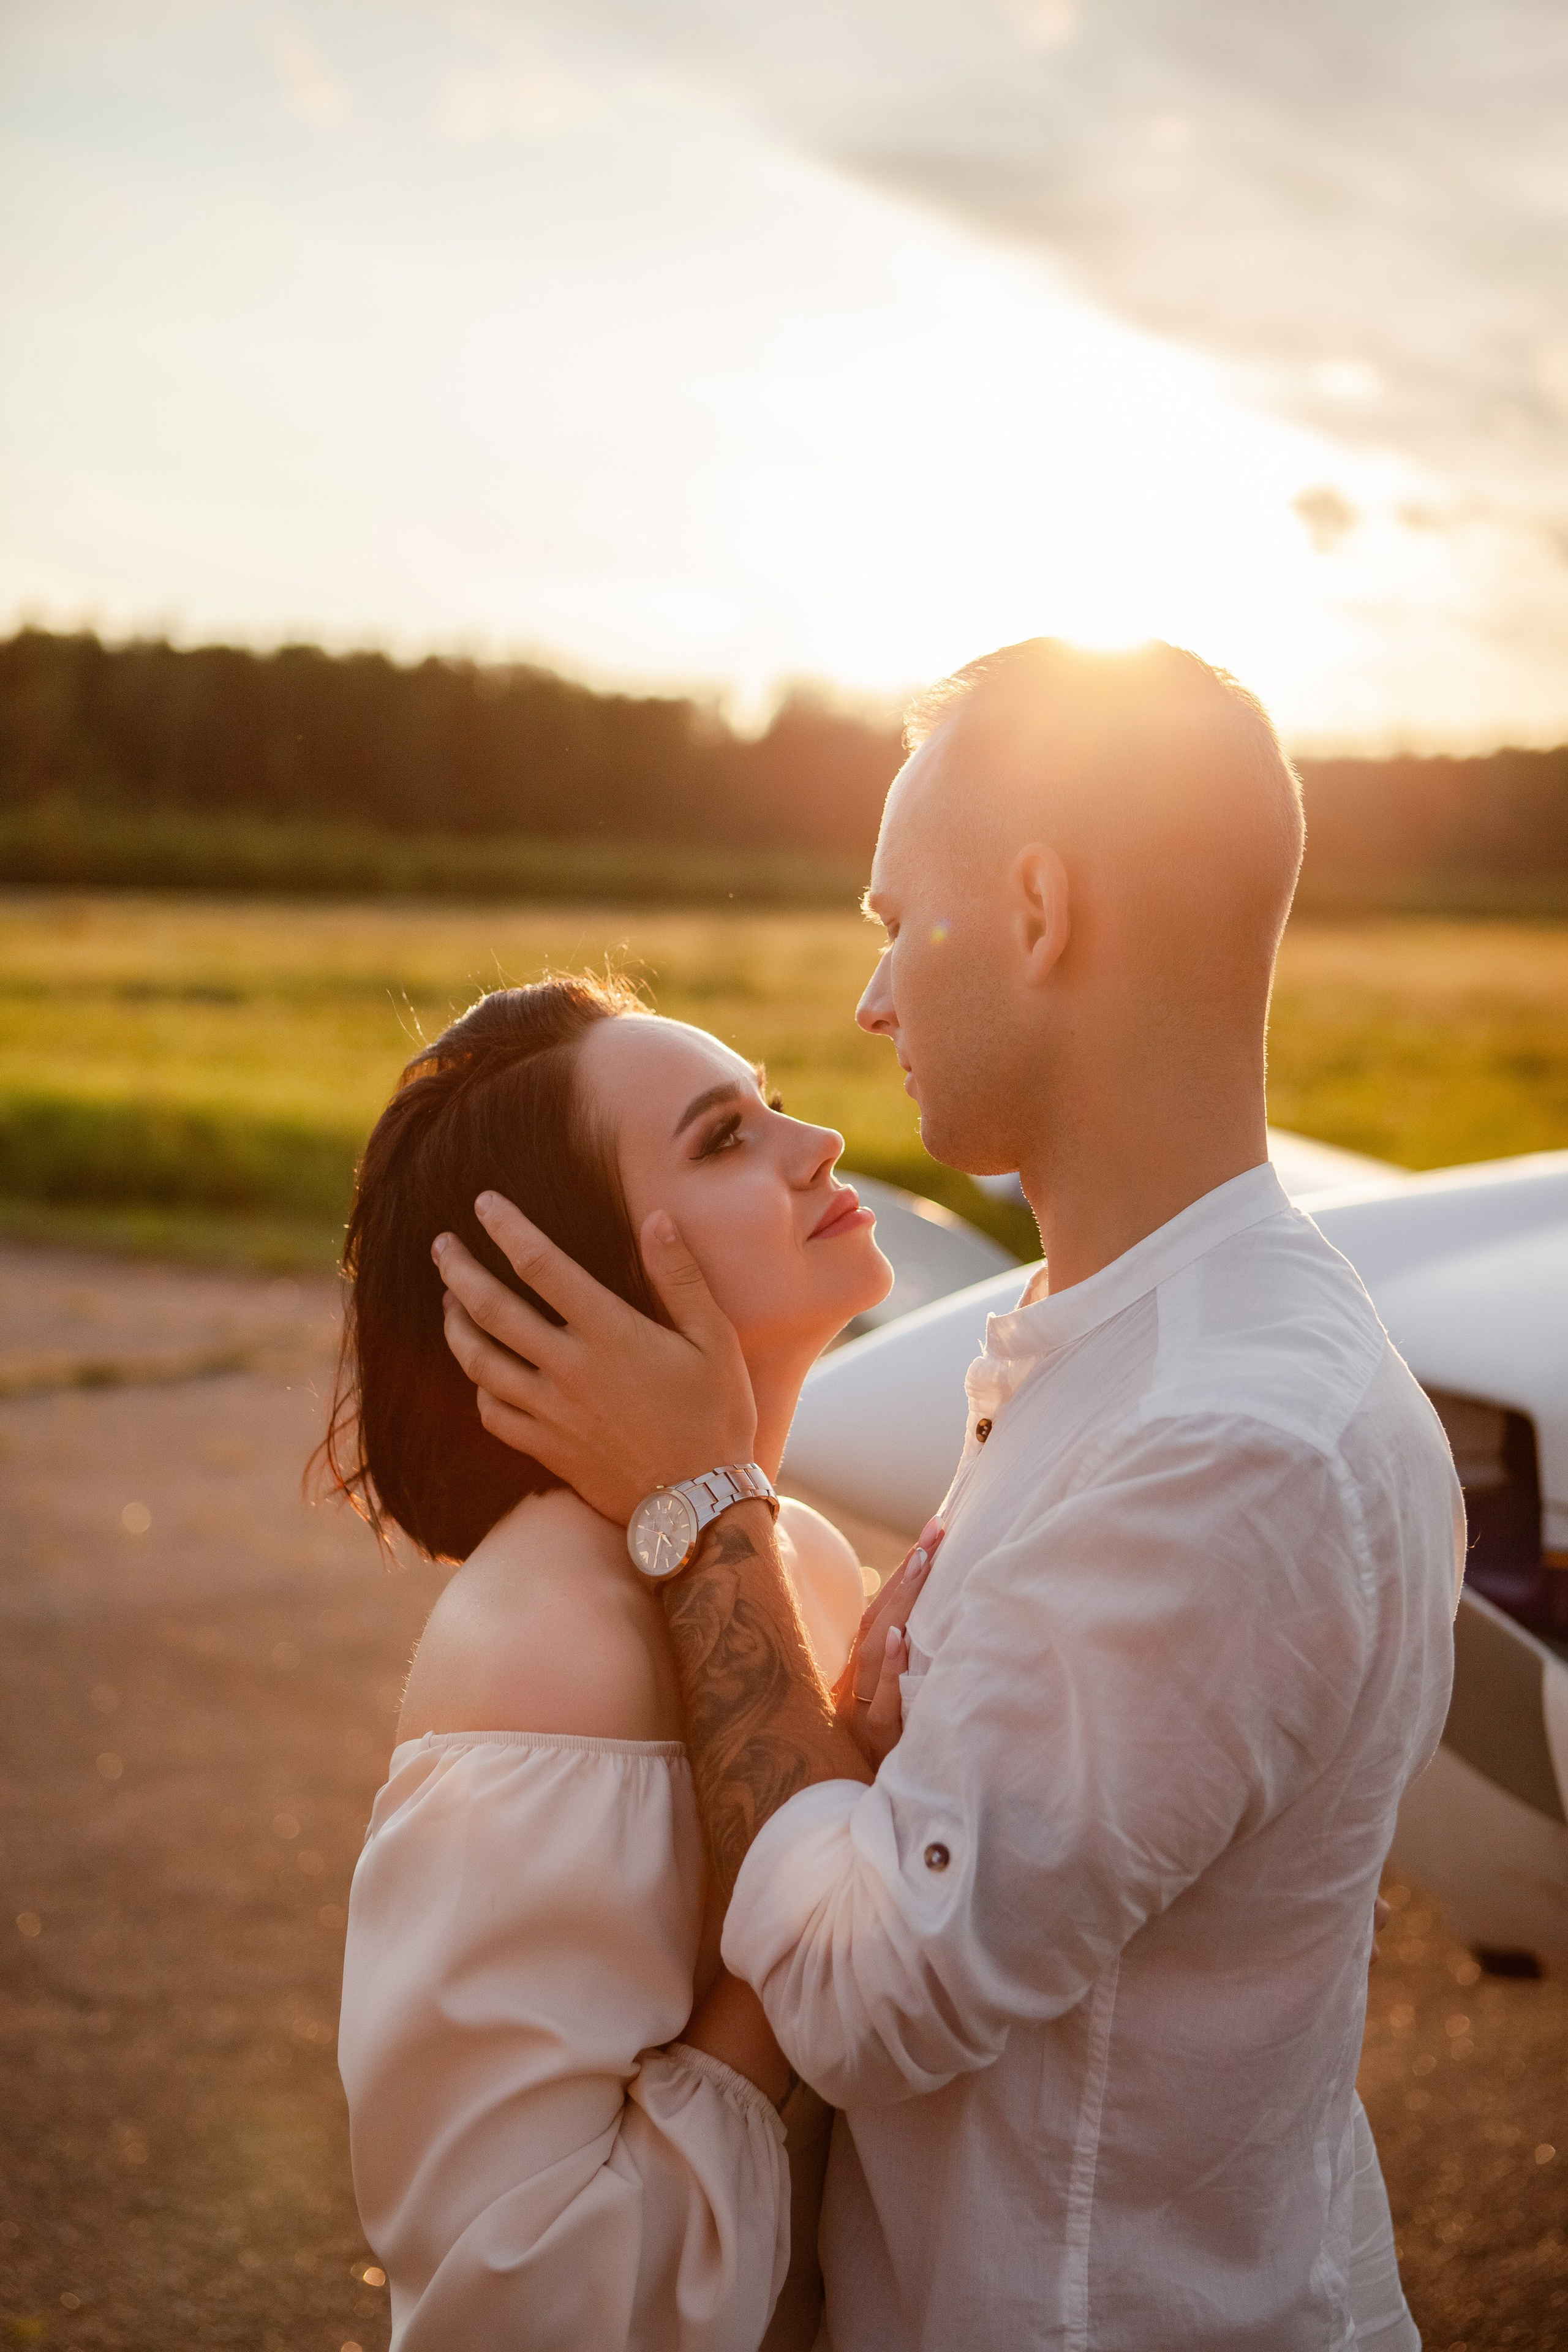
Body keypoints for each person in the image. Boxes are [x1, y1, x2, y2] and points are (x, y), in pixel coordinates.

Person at [435, 639, 1463, 2351]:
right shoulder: (1140, 1358)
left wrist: (700, 1502)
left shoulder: (1224, 1444)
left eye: (897, 920)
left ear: (1042, 912)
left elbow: (863, 1992)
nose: (873, 1000)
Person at [330, 973, 908, 2352]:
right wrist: (803, 1930)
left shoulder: (804, 1557)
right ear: (567, 1287)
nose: (815, 1141)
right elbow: (516, 2301)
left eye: (766, 1106)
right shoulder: (554, 1639)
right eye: (723, 1140)